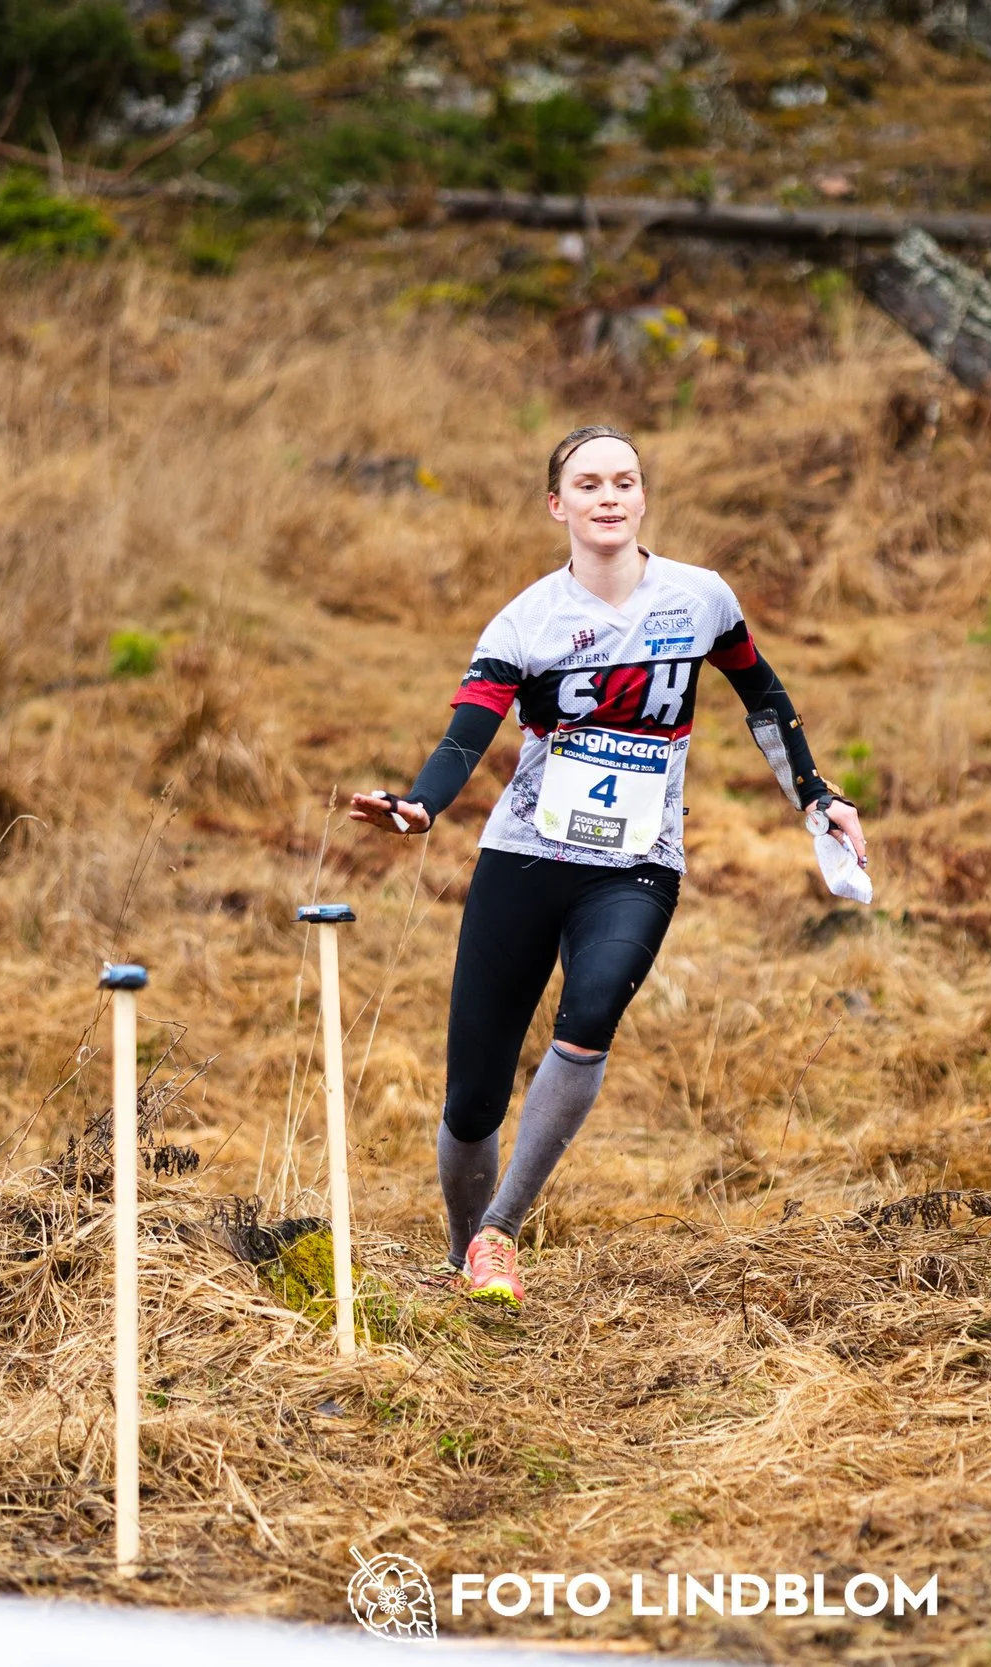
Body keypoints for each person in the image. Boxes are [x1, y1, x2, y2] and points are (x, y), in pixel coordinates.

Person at [348, 425, 867, 1310]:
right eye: (588, 484)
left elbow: (764, 699)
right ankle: (460, 1251)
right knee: (472, 1097)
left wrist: (818, 796)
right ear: (558, 506)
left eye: (624, 480)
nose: (609, 496)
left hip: (636, 862)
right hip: (523, 857)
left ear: (641, 498)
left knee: (589, 1017)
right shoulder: (527, 620)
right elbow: (466, 731)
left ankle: (500, 1235)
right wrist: (422, 804)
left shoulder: (699, 598)